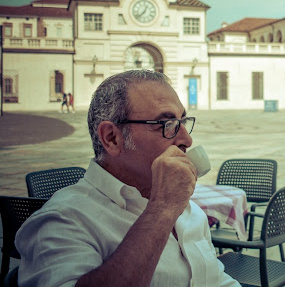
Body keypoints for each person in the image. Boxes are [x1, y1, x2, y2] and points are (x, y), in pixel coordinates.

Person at [16, 70, 240, 287]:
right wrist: (161, 210)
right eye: (166, 124)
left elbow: (216, 280)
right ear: (112, 138)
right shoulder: (62, 221)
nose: (187, 139)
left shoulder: (190, 212)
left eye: (183, 121)